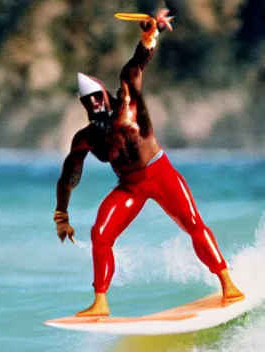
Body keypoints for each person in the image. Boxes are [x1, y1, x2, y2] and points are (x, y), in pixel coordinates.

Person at [53, 9, 244, 317]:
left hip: (159, 173)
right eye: (88, 103)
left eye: (98, 98)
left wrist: (148, 36)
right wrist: (61, 212)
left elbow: (136, 65)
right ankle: (100, 302)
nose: (95, 104)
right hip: (129, 187)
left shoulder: (128, 99)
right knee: (100, 234)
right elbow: (69, 175)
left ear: (106, 94)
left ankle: (228, 284)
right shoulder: (87, 136)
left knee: (192, 224)